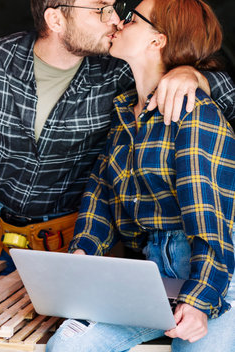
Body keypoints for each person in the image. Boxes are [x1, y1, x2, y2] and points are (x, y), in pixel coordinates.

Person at [0, 0, 235, 272]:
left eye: (114, 8)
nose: (114, 19)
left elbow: (225, 96)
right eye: (100, 10)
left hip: (70, 241)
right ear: (56, 20)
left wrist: (190, 74)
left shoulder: (118, 69)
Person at [47, 0, 235, 350]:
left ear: (157, 41)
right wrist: (83, 253)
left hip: (216, 275)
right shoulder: (124, 113)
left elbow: (212, 224)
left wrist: (198, 302)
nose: (118, 21)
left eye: (132, 18)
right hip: (153, 277)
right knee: (68, 346)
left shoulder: (194, 113)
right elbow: (100, 195)